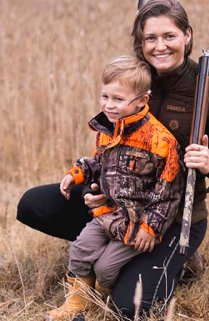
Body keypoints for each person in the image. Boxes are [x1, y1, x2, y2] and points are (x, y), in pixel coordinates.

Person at [17, 0, 209, 319]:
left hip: (173, 216)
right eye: (150, 38)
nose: (160, 46)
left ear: (187, 35)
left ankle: (176, 260)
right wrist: (97, 183)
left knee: (131, 305)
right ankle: (104, 249)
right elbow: (111, 146)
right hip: (119, 204)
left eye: (169, 35)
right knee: (33, 205)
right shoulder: (132, 81)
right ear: (140, 43)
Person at [46, 55, 184, 321]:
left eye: (118, 99)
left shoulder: (160, 141)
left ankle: (101, 294)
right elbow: (99, 161)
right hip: (109, 213)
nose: (109, 105)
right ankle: (79, 301)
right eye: (105, 97)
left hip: (137, 222)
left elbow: (168, 193)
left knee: (106, 268)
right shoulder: (108, 128)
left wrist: (151, 228)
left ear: (142, 100)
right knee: (79, 250)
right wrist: (76, 174)